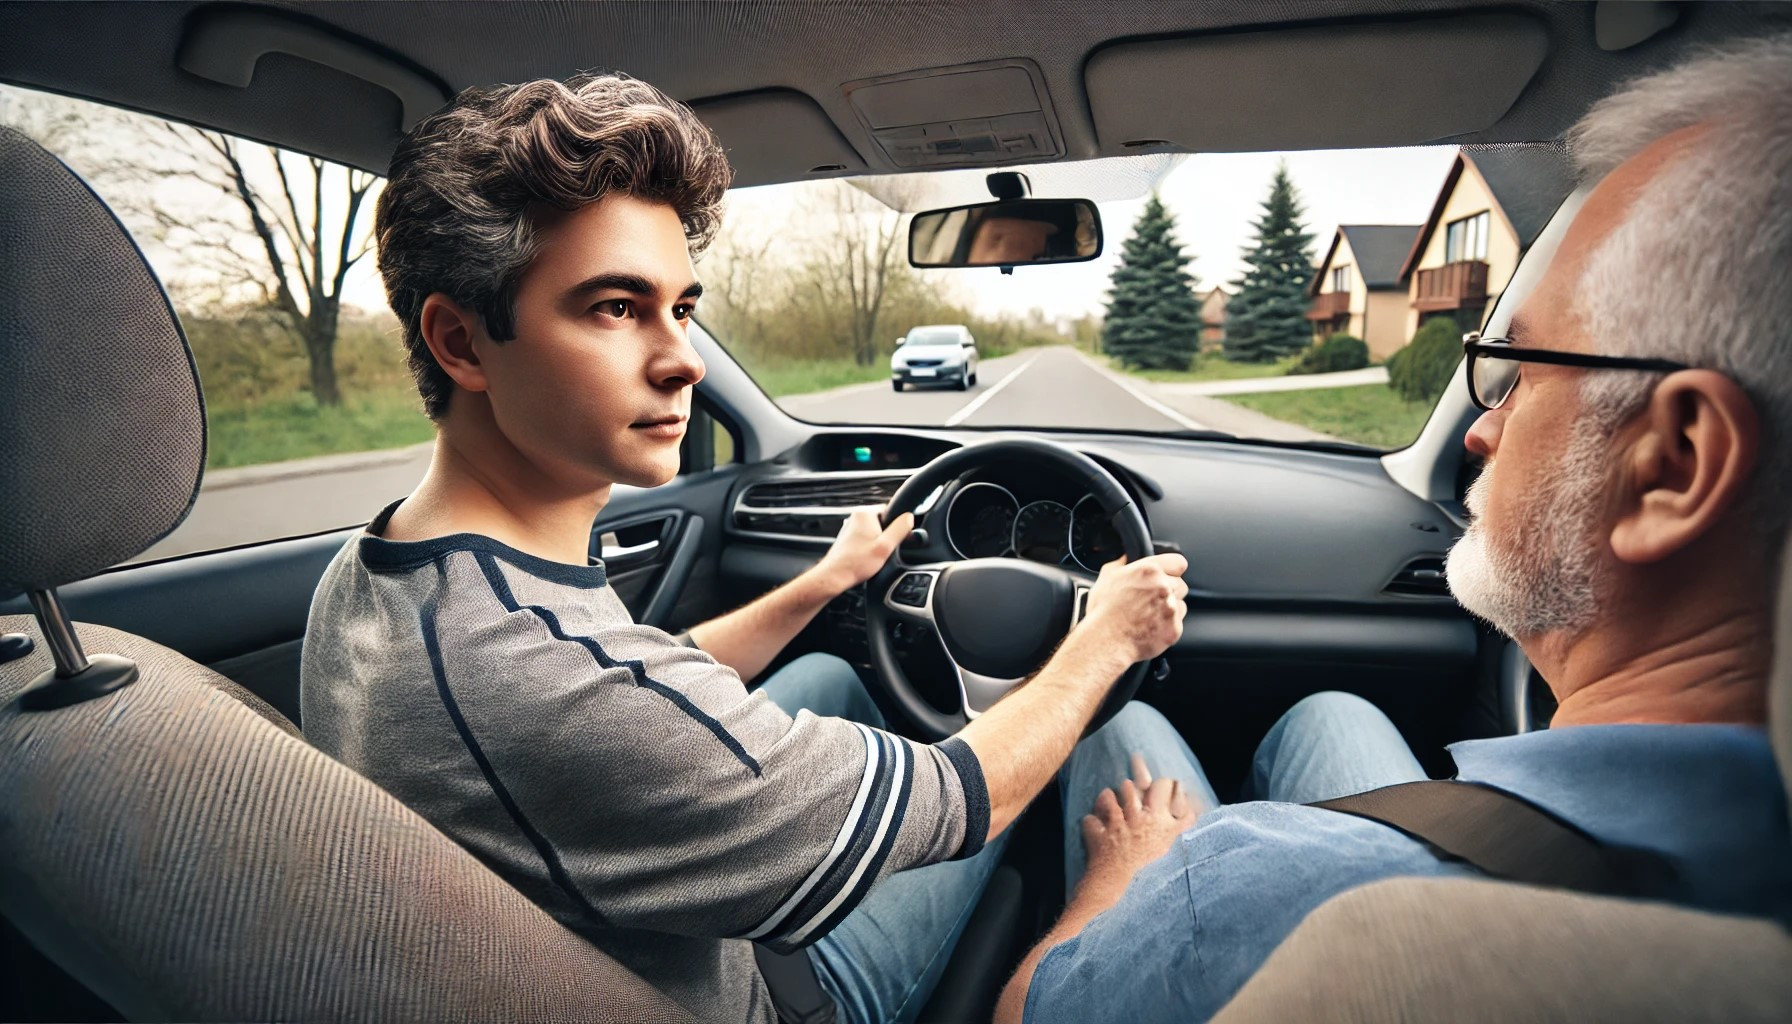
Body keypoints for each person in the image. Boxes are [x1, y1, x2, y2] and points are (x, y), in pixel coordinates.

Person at [296, 73, 1189, 1024]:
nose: (686, 357)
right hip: (768, 996)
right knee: (1132, 755)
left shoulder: (385, 569)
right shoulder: (523, 671)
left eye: (682, 307)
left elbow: (643, 684)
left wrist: (824, 582)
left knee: (839, 684)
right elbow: (964, 795)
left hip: (648, 932)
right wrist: (1107, 639)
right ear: (460, 343)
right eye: (614, 307)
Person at [999, 33, 1792, 1024]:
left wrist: (1129, 874)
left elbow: (1022, 1012)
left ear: (1671, 465)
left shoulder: (1254, 895)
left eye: (1517, 370)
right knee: (1332, 713)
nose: (1483, 428)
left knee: (1131, 730)